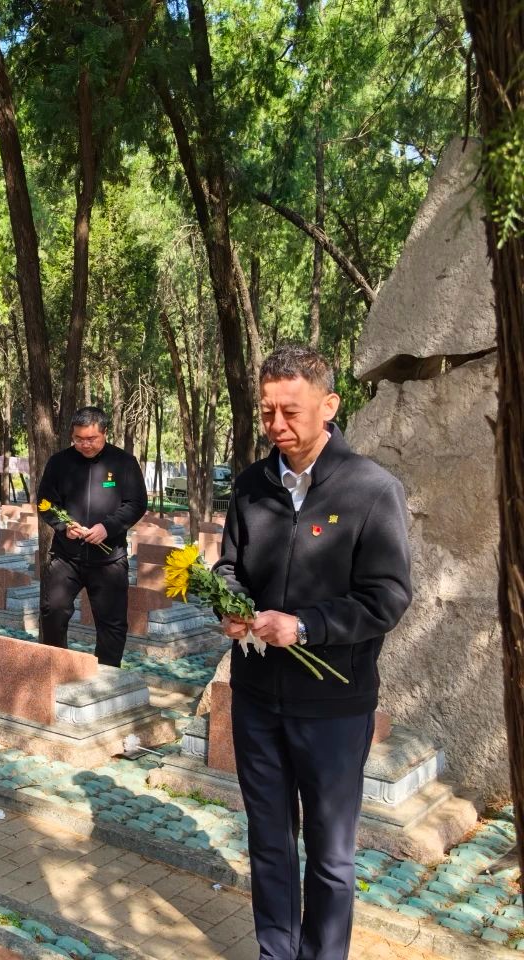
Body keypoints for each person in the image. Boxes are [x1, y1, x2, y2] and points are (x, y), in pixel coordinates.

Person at [215, 345, 413, 960]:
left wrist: (304, 627)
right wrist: (229, 602)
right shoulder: (251, 486)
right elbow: (228, 565)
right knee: (269, 841)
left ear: (329, 405)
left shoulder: (372, 490)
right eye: (266, 411)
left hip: (333, 705)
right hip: (256, 699)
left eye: (290, 411)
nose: (276, 424)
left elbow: (387, 597)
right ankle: (276, 951)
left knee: (330, 855)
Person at [36, 407, 147, 665]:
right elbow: (45, 502)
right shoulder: (59, 463)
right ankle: (57, 668)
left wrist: (108, 528)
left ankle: (107, 675)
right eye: (78, 439)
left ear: (105, 433)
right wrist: (64, 525)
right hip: (66, 556)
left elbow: (136, 503)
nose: (84, 444)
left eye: (91, 439)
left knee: (112, 624)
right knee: (53, 610)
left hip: (109, 559)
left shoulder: (124, 463)